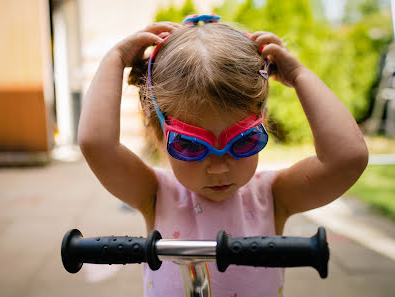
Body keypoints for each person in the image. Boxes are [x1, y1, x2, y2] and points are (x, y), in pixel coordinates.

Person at [78, 14, 368, 297]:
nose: (218, 168)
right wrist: (114, 59)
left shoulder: (273, 197)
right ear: (159, 134)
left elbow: (347, 159)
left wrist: (300, 75)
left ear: (262, 123)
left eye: (242, 141)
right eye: (191, 146)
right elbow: (96, 144)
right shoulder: (156, 195)